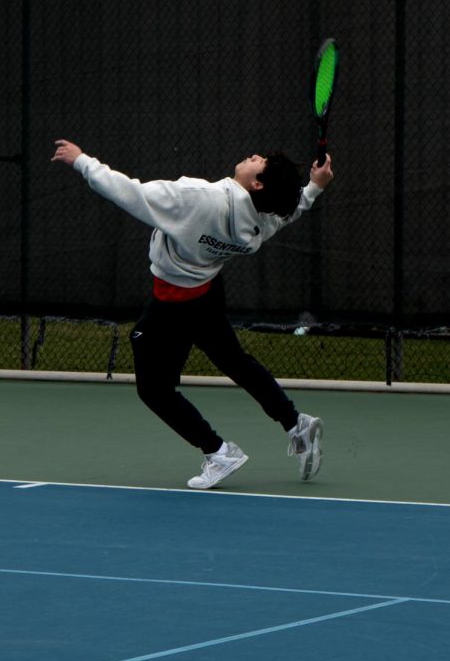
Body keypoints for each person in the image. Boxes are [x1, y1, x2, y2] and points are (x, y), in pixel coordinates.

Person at [51, 140, 335, 490]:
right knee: (235, 361)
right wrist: (314, 188)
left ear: (257, 184)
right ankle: (296, 425)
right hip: (206, 293)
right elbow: (287, 211)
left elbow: (128, 192)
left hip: (173, 304)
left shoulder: (197, 198)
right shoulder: (259, 223)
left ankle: (218, 452)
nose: (254, 156)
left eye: (260, 162)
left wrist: (82, 161)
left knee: (153, 390)